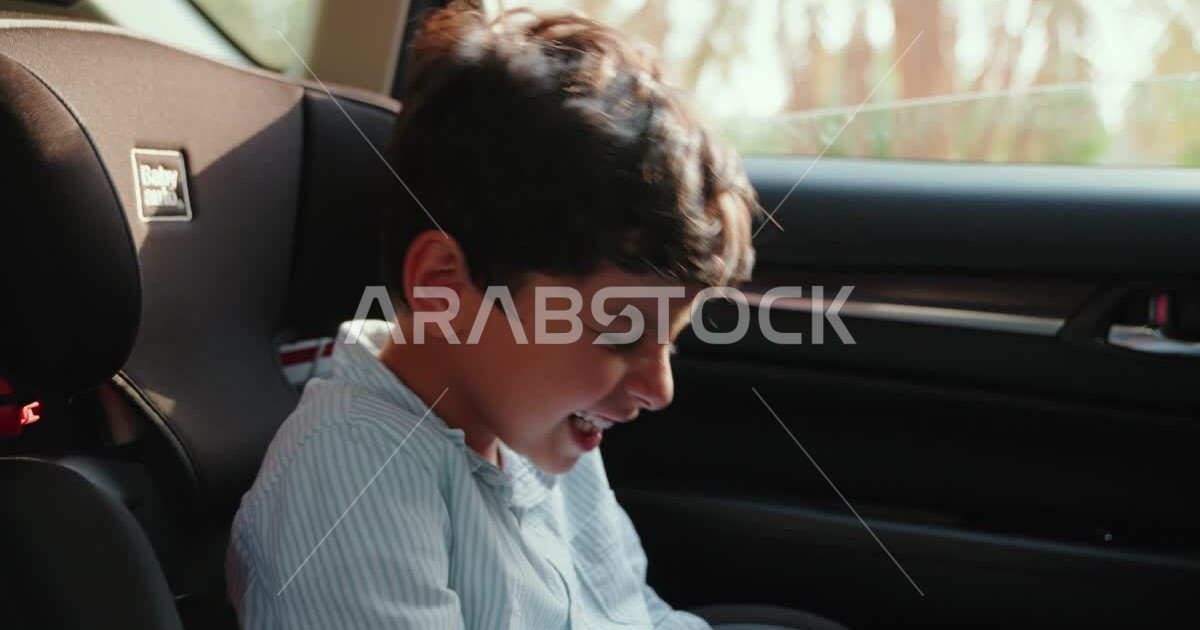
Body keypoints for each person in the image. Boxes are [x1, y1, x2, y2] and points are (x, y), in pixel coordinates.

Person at [226, 2, 844, 628]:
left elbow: (631, 612)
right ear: (443, 288)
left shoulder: (535, 426)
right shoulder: (351, 481)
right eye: (621, 333)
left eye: (670, 343)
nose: (660, 389)